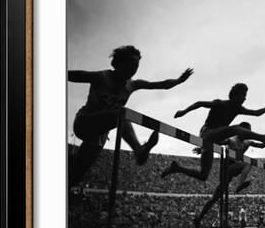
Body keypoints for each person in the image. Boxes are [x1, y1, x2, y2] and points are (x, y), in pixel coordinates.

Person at [68, 45, 193, 187]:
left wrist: (179, 80)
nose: (134, 69)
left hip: (99, 135)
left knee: (77, 173)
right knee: (122, 113)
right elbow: (72, 75)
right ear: (119, 63)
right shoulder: (101, 77)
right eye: (131, 64)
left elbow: (159, 85)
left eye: (137, 66)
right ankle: (138, 150)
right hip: (84, 122)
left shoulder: (132, 85)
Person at [161, 83, 265, 182]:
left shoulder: (238, 109)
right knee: (234, 129)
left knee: (203, 175)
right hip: (207, 133)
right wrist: (184, 111)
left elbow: (255, 113)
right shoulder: (220, 103)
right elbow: (200, 103)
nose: (245, 98)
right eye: (243, 95)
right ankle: (263, 137)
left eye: (245, 96)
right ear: (235, 95)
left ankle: (177, 168)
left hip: (215, 140)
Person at [191, 122, 265, 228]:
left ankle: (199, 218)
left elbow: (262, 145)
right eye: (246, 132)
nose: (247, 135)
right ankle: (240, 184)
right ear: (240, 131)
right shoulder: (231, 139)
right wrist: (202, 148)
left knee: (215, 197)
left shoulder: (247, 142)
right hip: (226, 167)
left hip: (232, 170)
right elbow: (217, 143)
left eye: (248, 133)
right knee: (248, 163)